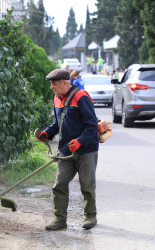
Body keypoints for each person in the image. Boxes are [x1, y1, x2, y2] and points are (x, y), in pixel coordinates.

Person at [37, 69, 99, 231]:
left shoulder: (81, 97)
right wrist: (47, 133)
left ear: (65, 83)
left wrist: (80, 141)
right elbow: (59, 122)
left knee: (87, 185)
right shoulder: (57, 98)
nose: (51, 87)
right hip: (66, 150)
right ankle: (60, 220)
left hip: (86, 150)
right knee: (59, 185)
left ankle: (90, 216)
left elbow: (92, 126)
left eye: (54, 84)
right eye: (51, 84)